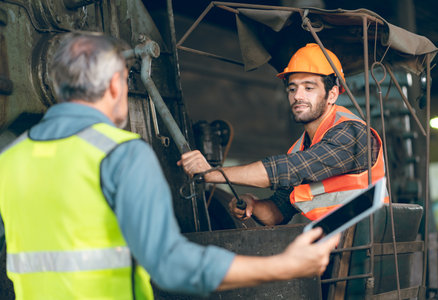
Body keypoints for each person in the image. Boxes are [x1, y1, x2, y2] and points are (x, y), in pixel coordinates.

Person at [0, 33, 339, 299]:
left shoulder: (10, 158)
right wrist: (283, 266)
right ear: (117, 84)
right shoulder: (120, 154)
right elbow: (170, 266)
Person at [179, 43, 386, 225]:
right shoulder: (302, 147)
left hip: (369, 250)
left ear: (332, 94)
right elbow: (278, 212)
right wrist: (254, 205)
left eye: (309, 87)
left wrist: (213, 174)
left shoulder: (352, 134)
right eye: (292, 88)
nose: (298, 96)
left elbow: (288, 169)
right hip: (330, 249)